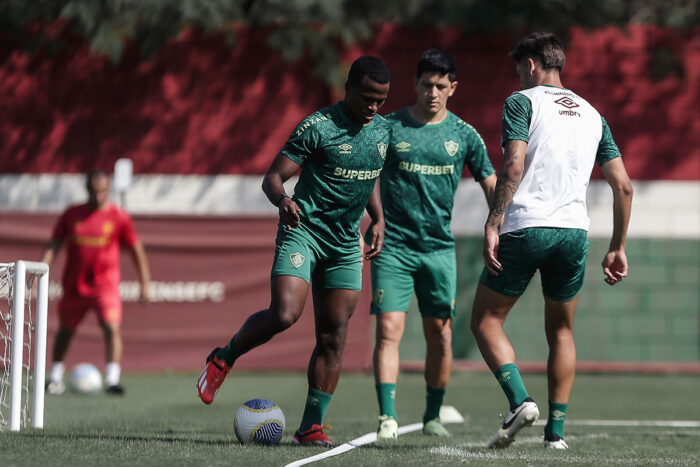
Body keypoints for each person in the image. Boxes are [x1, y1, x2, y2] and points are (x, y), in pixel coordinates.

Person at [196, 56, 392, 447]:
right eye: (367, 97)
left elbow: (369, 172)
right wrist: (282, 200)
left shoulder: (383, 130)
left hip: (343, 243)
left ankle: (310, 427)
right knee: (284, 313)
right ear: (348, 88)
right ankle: (224, 357)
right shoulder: (317, 126)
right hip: (303, 232)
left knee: (334, 336)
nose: (373, 107)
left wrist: (379, 218)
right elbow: (273, 177)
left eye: (381, 100)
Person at [470, 32, 633, 449]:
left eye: (517, 70)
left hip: (526, 226)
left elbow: (514, 163)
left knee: (486, 321)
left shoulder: (521, 101)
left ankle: (520, 400)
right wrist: (618, 246)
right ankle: (555, 435)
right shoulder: (594, 115)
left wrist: (493, 221)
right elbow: (624, 186)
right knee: (561, 331)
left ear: (530, 65)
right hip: (574, 232)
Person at [371, 49, 496, 440]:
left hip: (439, 250)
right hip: (394, 248)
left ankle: (431, 415)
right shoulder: (389, 128)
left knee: (440, 336)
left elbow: (492, 182)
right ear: (415, 85)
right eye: (427, 84)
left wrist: (498, 226)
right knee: (389, 329)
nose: (433, 92)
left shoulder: (463, 135)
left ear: (452, 88)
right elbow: (363, 174)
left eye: (441, 86)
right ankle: (387, 418)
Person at [41, 170, 151, 395]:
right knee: (65, 331)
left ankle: (112, 380)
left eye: (103, 191)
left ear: (108, 190)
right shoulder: (72, 214)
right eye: (94, 191)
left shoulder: (119, 216)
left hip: (105, 286)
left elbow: (136, 250)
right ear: (87, 190)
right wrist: (39, 271)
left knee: (111, 327)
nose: (98, 196)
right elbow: (54, 244)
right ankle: (55, 378)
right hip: (74, 286)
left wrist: (145, 283)